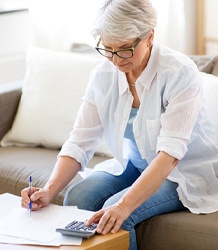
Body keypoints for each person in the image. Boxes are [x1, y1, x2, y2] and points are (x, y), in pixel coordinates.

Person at [21, 0, 218, 249]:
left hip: (181, 172)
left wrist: (123, 206)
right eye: (108, 48)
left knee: (113, 218)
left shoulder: (179, 73)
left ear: (149, 36)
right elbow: (80, 141)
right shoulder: (103, 76)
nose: (116, 60)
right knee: (77, 197)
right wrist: (49, 190)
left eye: (125, 48)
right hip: (134, 164)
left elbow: (169, 156)